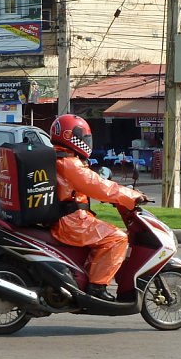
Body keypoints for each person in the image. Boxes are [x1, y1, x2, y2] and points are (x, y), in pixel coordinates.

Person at [50, 114, 147, 301]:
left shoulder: (61, 157)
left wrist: (118, 193)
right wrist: (132, 196)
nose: (86, 141)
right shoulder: (68, 163)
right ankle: (97, 288)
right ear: (71, 136)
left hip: (68, 219)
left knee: (105, 233)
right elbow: (96, 185)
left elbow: (93, 185)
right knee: (117, 238)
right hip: (72, 222)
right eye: (84, 137)